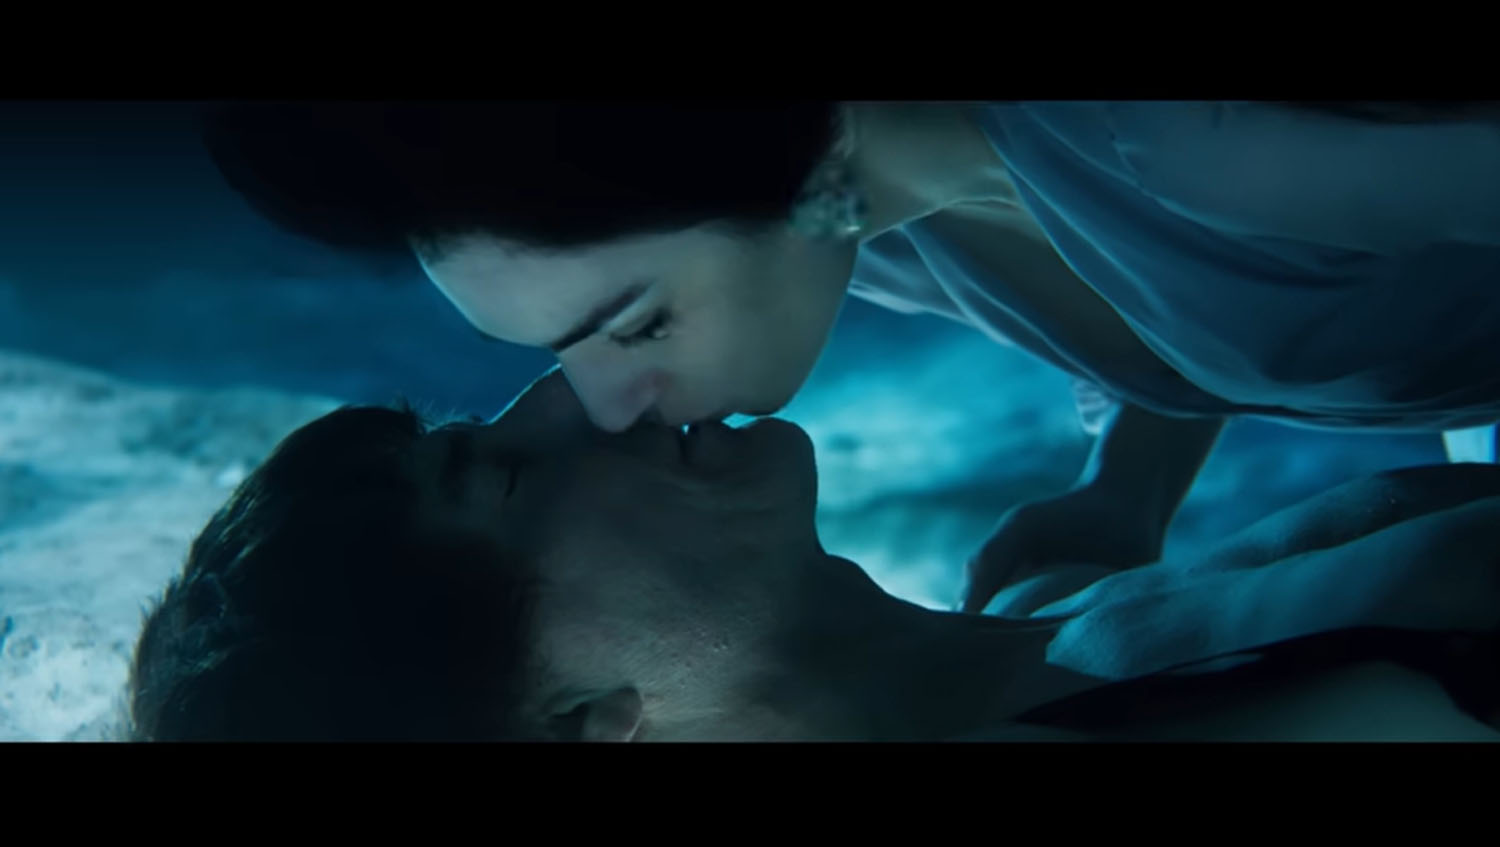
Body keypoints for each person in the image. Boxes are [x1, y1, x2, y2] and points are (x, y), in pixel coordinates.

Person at [199, 101, 1500, 616]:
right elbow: (1183, 298)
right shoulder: (857, 237)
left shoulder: (1204, 141)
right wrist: (1127, 489)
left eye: (637, 323)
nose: (606, 407)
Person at [125, 370, 1500, 742]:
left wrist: (1123, 489)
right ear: (585, 724)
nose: (567, 391)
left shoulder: (1033, 615)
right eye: (501, 474)